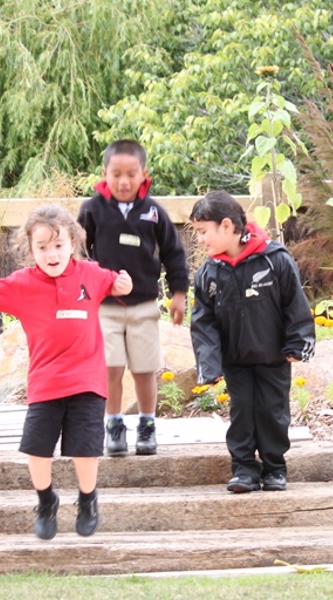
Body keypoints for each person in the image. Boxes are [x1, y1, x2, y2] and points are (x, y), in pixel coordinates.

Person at [0, 205, 132, 539]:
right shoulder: (22, 284)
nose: (51, 254)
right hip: (46, 384)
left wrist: (124, 283)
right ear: (30, 248)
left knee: (86, 449)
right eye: (42, 247)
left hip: (88, 381)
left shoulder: (91, 274)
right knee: (37, 449)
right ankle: (46, 501)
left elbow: (117, 284)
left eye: (58, 245)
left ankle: (87, 499)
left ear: (73, 243)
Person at [188, 190, 315, 493]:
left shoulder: (275, 259)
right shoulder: (209, 273)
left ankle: (274, 468)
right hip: (236, 361)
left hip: (273, 358)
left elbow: (295, 304)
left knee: (273, 411)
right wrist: (210, 363)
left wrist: (298, 343)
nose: (201, 239)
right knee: (242, 411)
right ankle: (243, 468)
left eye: (204, 232)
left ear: (228, 226)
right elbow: (202, 323)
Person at [78, 139, 189, 457]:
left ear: (144, 174)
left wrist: (178, 294)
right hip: (105, 308)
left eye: (131, 174)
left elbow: (174, 253)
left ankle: (147, 425)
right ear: (104, 173)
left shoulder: (154, 212)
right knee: (110, 368)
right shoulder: (92, 209)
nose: (123, 181)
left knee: (144, 369)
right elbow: (78, 254)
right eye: (116, 174)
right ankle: (113, 425)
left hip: (143, 307)